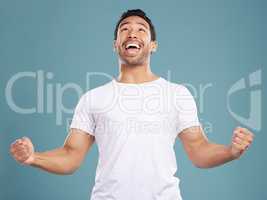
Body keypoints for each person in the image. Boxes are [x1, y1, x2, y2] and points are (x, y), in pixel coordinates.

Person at [10, 9, 254, 200]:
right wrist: (34, 157)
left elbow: (199, 150)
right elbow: (71, 156)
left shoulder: (177, 94)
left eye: (141, 29)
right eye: (124, 30)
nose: (132, 33)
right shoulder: (93, 98)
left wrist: (230, 152)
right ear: (116, 44)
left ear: (153, 45)